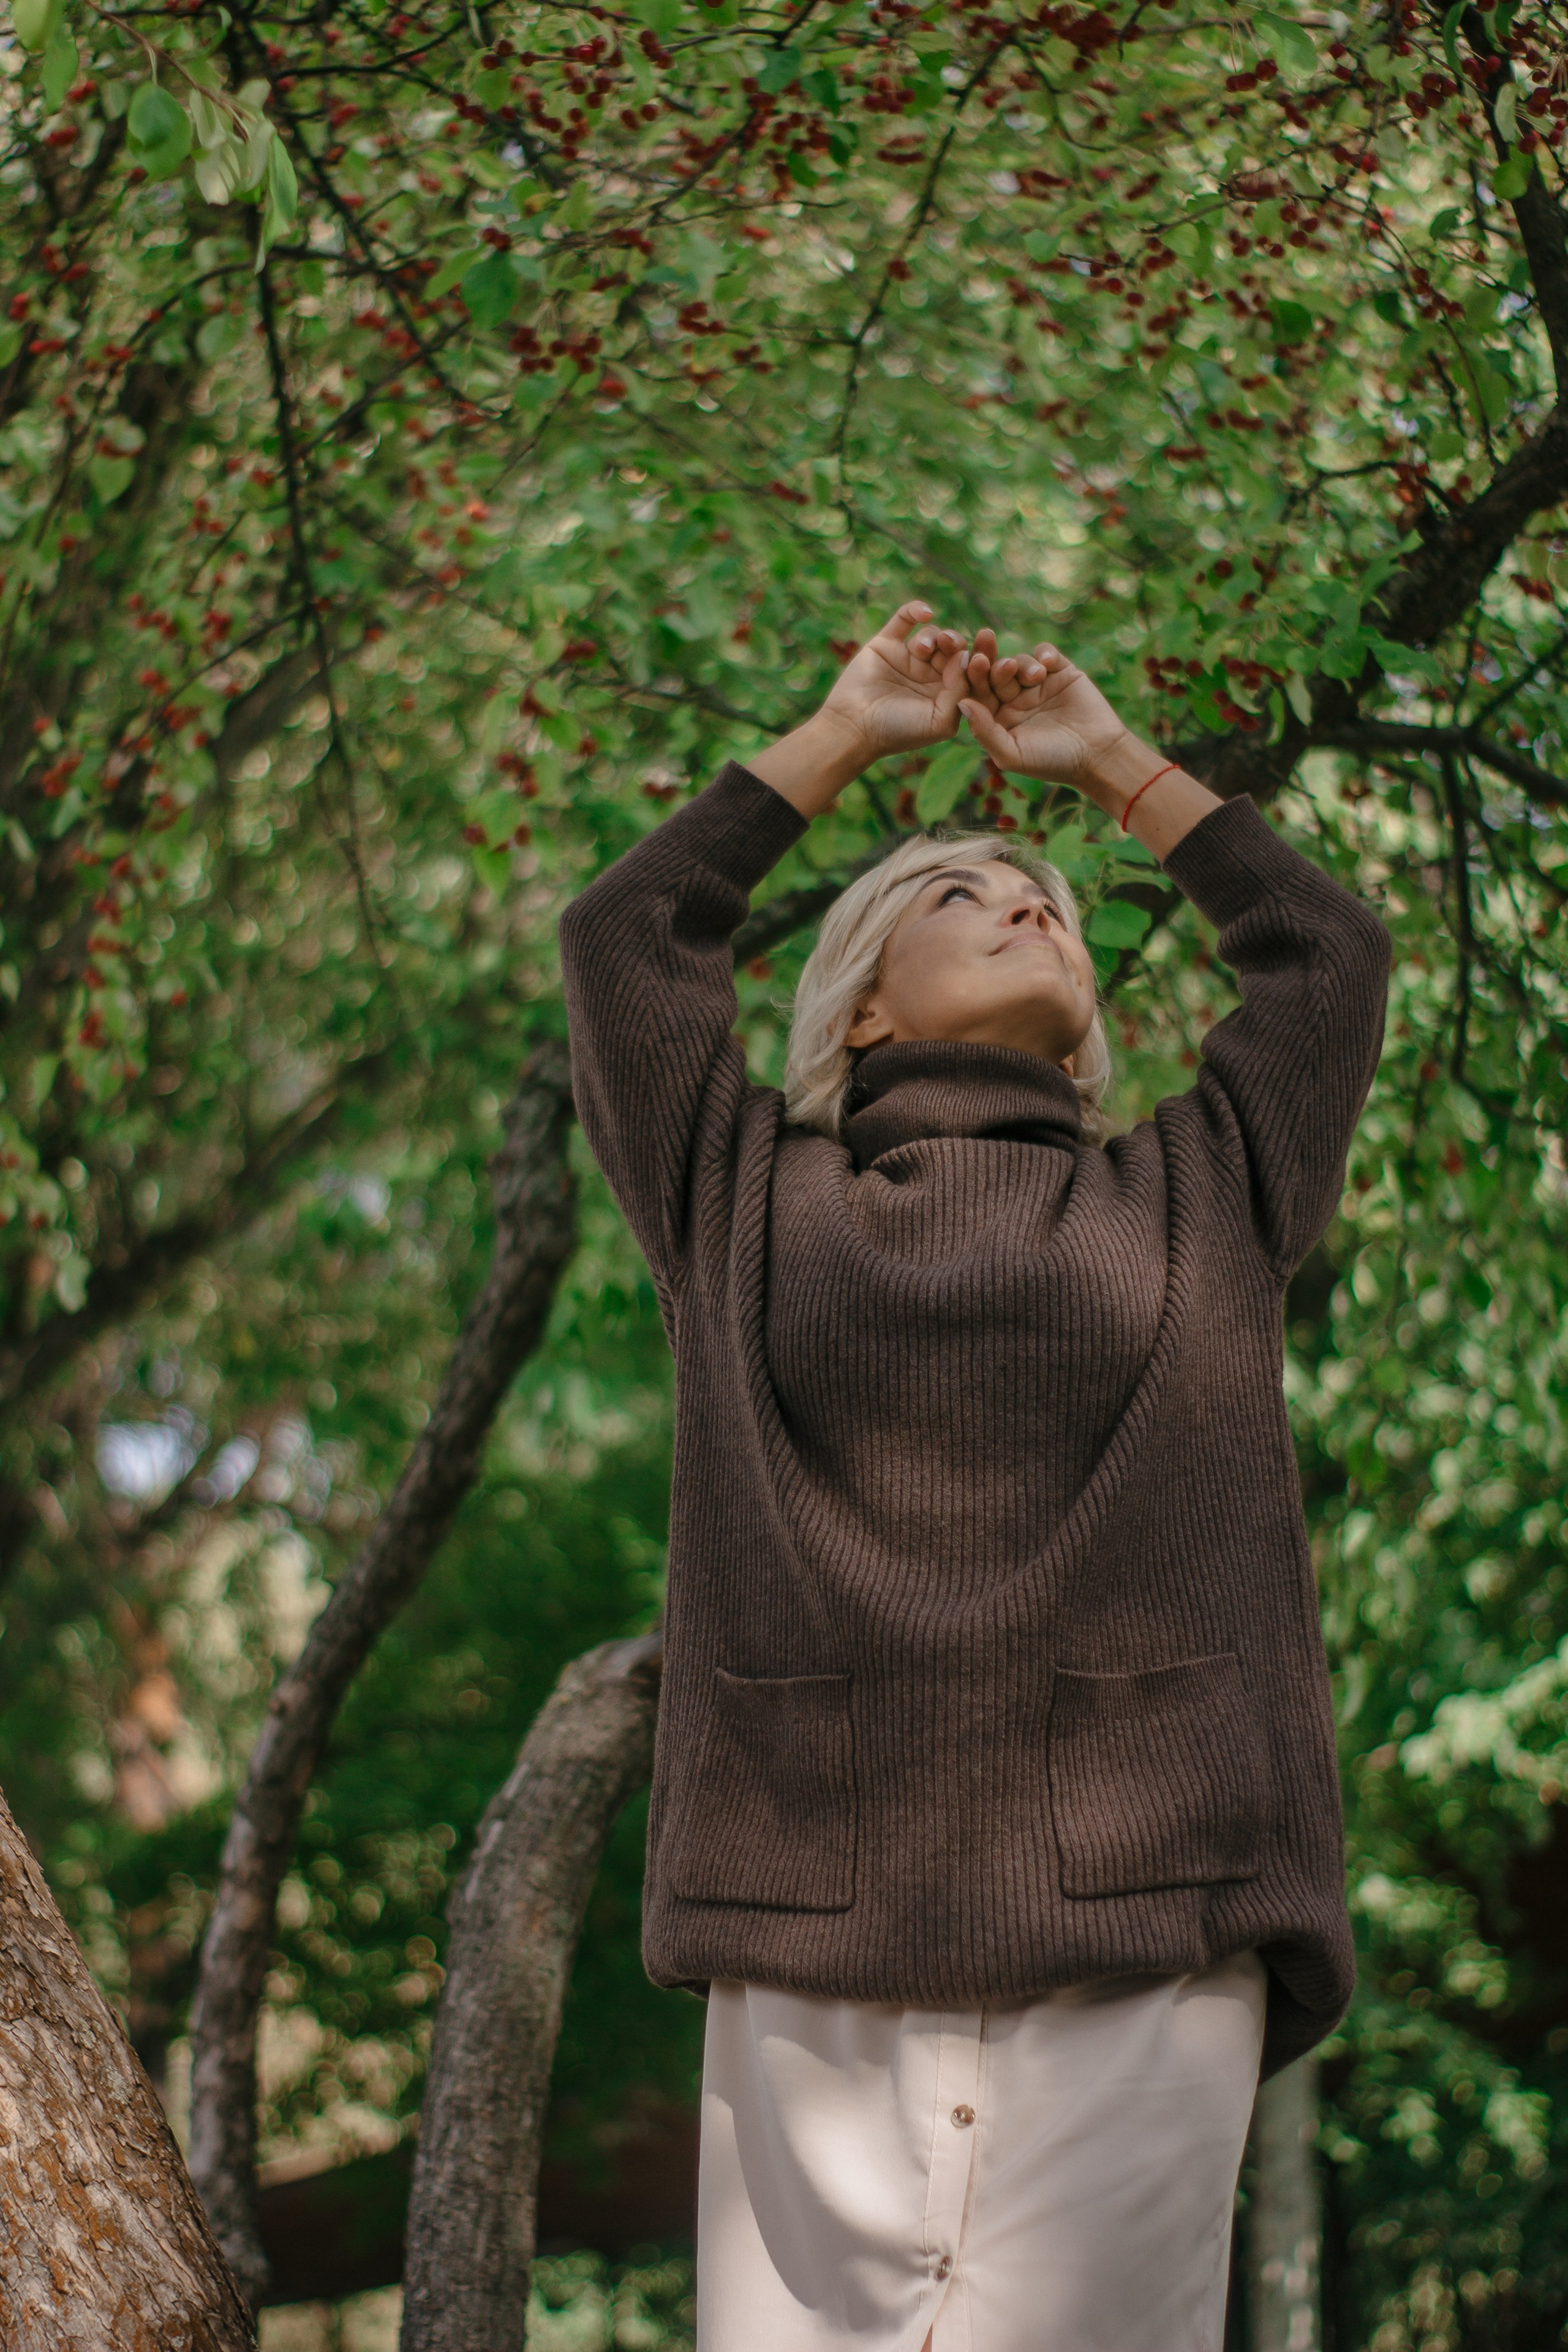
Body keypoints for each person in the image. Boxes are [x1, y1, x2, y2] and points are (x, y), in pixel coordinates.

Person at [559, 602, 1390, 2352]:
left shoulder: (1206, 1191)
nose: (1031, 902)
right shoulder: (738, 1201)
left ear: (1088, 1033)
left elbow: (1324, 952)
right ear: (858, 1010)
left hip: (1147, 1945)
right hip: (811, 1938)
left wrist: (1109, 762)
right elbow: (627, 937)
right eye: (967, 893)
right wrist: (849, 731)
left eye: (1056, 907)